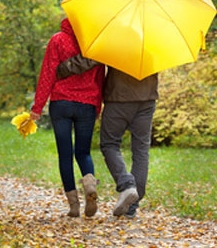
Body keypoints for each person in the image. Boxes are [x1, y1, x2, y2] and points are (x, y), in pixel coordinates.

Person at [57, 55, 158, 218]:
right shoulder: (154, 38)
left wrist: (62, 69)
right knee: (141, 151)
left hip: (119, 98)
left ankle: (127, 186)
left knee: (109, 144)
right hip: (148, 98)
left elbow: (92, 59)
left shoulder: (116, 35)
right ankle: (132, 207)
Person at [30, 18, 104, 218]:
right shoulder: (95, 45)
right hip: (87, 104)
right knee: (83, 152)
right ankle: (89, 185)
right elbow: (100, 79)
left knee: (65, 154)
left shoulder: (58, 40)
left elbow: (47, 75)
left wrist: (37, 107)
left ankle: (73, 206)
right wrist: (97, 107)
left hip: (61, 104)